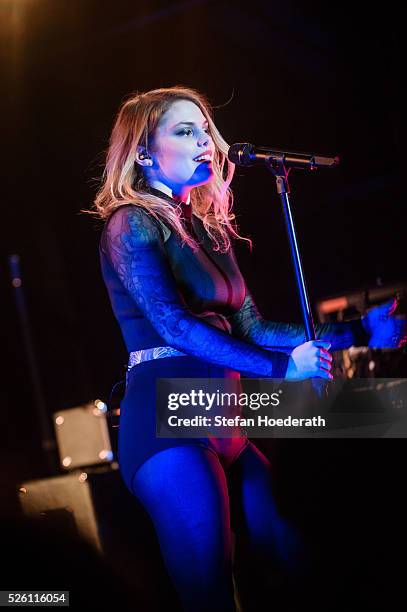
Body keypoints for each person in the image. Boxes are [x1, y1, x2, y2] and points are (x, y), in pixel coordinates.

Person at [89, 86, 406, 611]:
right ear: (144, 152)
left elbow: (254, 328)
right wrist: (284, 371)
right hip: (170, 416)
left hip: (228, 417)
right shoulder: (131, 222)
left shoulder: (207, 230)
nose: (205, 142)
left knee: (299, 553)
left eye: (205, 130)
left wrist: (359, 333)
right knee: (211, 589)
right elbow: (174, 326)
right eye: (184, 131)